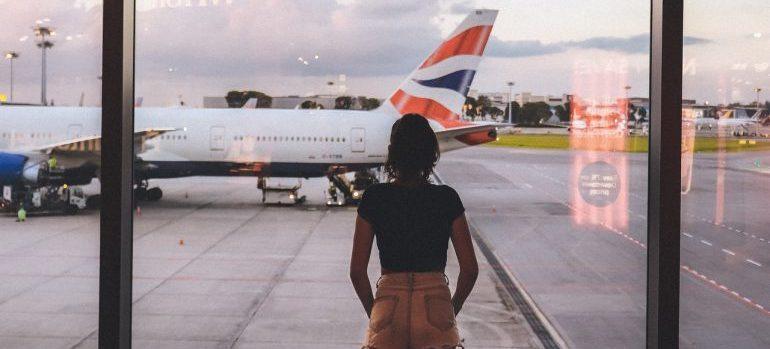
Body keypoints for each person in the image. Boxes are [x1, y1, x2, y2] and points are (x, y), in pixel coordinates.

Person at [350, 114, 479, 349]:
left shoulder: (374, 198)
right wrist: (450, 310)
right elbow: (469, 270)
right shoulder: (447, 198)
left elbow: (357, 272)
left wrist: (376, 313)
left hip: (388, 304)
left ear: (393, 153)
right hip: (436, 305)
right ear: (430, 153)